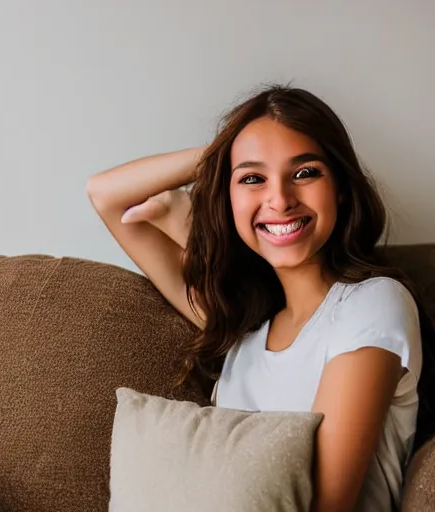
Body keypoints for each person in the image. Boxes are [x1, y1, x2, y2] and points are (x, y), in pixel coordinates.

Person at [87, 84, 435, 511]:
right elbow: (105, 194)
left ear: (341, 188)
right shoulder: (243, 328)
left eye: (305, 172)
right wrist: (224, 154)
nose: (280, 199)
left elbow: (324, 502)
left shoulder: (373, 305)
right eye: (253, 178)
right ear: (227, 197)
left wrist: (242, 160)